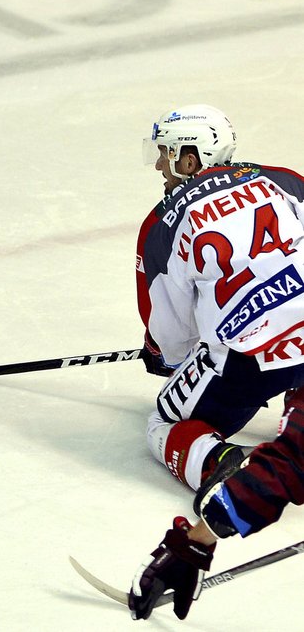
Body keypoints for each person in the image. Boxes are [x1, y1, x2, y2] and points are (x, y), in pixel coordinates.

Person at [128, 105, 304, 620]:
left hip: (250, 357)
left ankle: (223, 464)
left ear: (191, 155)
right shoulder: (287, 180)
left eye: (165, 153)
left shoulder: (162, 223)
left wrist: (164, 357)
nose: (160, 166)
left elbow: (172, 339)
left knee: (165, 422)